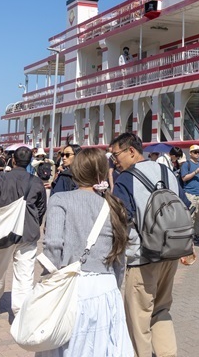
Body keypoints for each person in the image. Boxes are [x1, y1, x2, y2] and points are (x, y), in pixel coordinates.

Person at [38, 148, 134, 357]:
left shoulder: (60, 199)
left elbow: (53, 245)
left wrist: (47, 279)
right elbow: (120, 255)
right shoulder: (114, 205)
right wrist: (115, 287)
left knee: (67, 347)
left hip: (73, 285)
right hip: (105, 286)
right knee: (102, 347)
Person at [111, 133, 190, 357]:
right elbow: (184, 206)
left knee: (139, 318)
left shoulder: (125, 179)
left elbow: (120, 219)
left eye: (116, 154)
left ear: (131, 151)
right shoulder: (167, 172)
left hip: (141, 258)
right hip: (171, 252)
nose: (114, 160)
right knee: (162, 310)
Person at [0, 146, 47, 317]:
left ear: (13, 160)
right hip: (28, 232)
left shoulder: (1, 180)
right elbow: (41, 208)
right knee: (25, 273)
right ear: (30, 161)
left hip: (3, 232)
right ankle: (21, 311)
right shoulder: (36, 182)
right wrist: (35, 223)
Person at [179, 144, 199, 245]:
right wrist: (195, 172)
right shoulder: (186, 164)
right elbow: (184, 178)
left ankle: (197, 236)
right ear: (190, 153)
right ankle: (187, 237)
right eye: (195, 152)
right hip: (190, 194)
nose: (197, 154)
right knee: (189, 217)